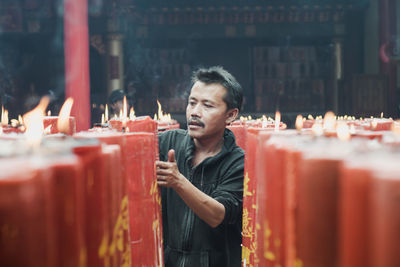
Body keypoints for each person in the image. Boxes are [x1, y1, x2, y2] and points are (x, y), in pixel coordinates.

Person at [156, 66, 244, 267]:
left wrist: (178, 182)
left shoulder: (237, 162)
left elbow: (218, 215)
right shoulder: (168, 143)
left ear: (230, 115)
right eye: (192, 103)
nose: (195, 112)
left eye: (208, 106)